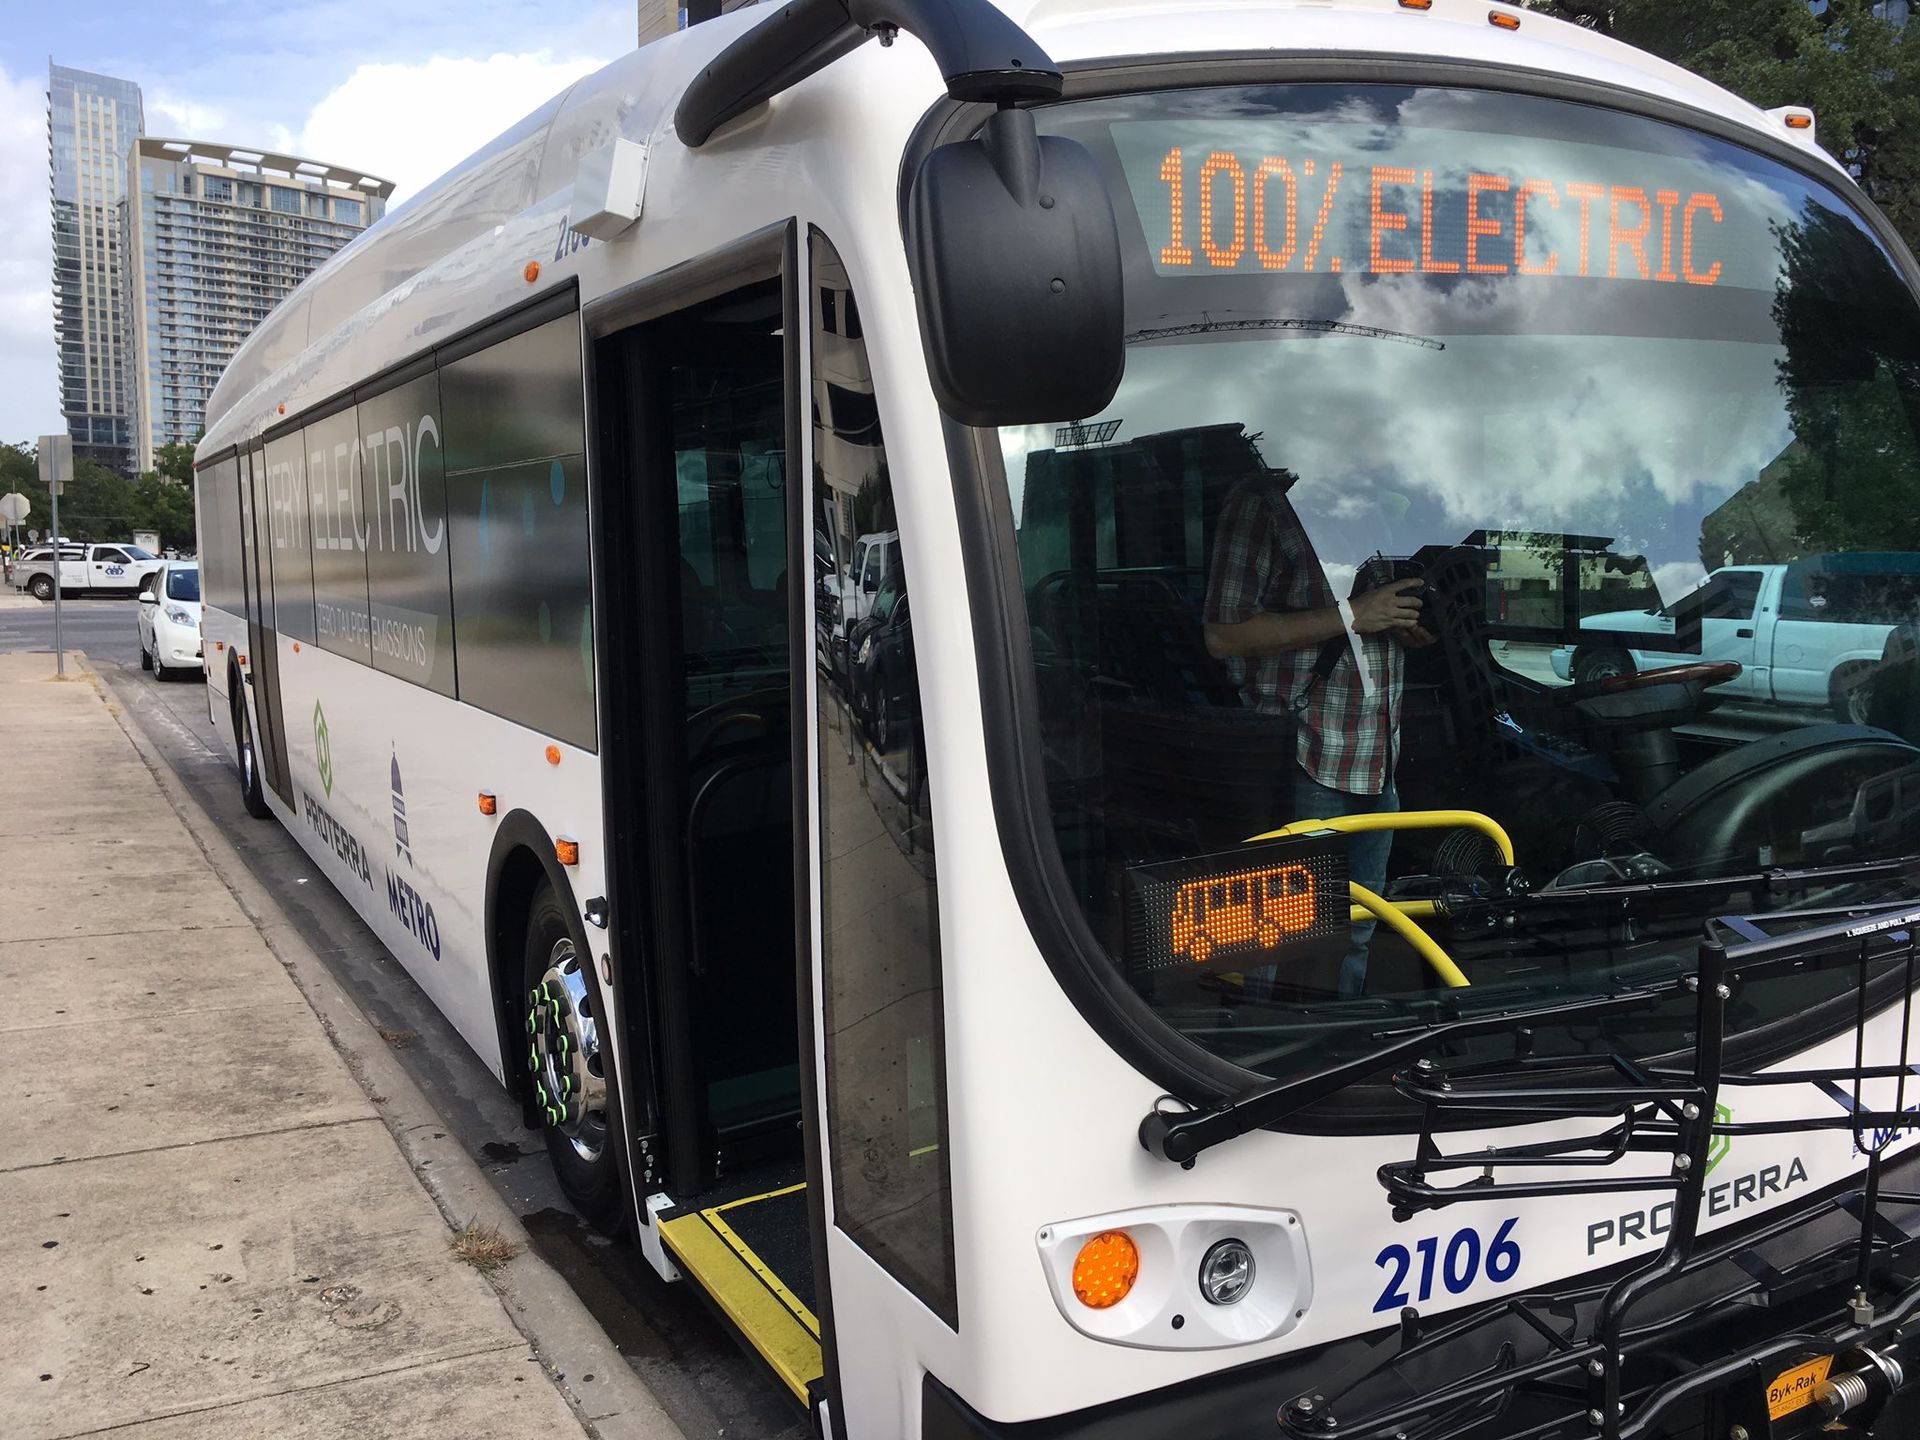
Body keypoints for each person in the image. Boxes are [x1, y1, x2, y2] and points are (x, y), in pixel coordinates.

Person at [1203, 473, 1428, 999]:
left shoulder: (1378, 503)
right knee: (1280, 939)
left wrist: (1407, 625)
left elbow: (1380, 624)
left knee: (1358, 930)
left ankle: (1337, 1045)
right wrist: (1353, 614)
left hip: (1378, 763)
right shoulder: (1261, 504)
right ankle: (1266, 1055)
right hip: (1305, 755)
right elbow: (1222, 634)